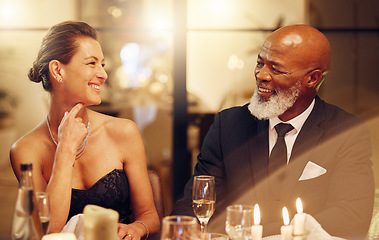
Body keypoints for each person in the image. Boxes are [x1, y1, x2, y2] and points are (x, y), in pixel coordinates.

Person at [171, 24, 374, 239]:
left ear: (312, 79)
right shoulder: (228, 125)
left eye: (275, 68)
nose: (261, 75)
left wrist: (252, 232)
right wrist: (187, 228)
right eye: (260, 63)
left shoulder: (346, 132)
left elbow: (351, 217)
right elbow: (195, 203)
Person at [10, 21, 159, 240]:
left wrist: (136, 228)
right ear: (58, 70)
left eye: (102, 65)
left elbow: (150, 217)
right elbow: (46, 230)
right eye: (91, 63)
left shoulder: (124, 132)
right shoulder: (25, 150)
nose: (103, 75)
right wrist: (65, 149)